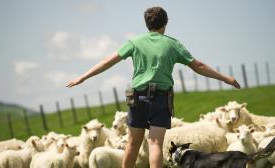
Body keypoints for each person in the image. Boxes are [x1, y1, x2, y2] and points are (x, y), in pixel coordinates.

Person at [66, 6, 241, 168]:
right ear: (165, 23)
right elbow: (199, 66)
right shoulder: (173, 44)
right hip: (161, 98)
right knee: (156, 143)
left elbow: (107, 62)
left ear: (147, 24)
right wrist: (226, 78)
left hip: (137, 98)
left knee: (133, 143)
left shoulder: (134, 42)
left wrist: (83, 76)